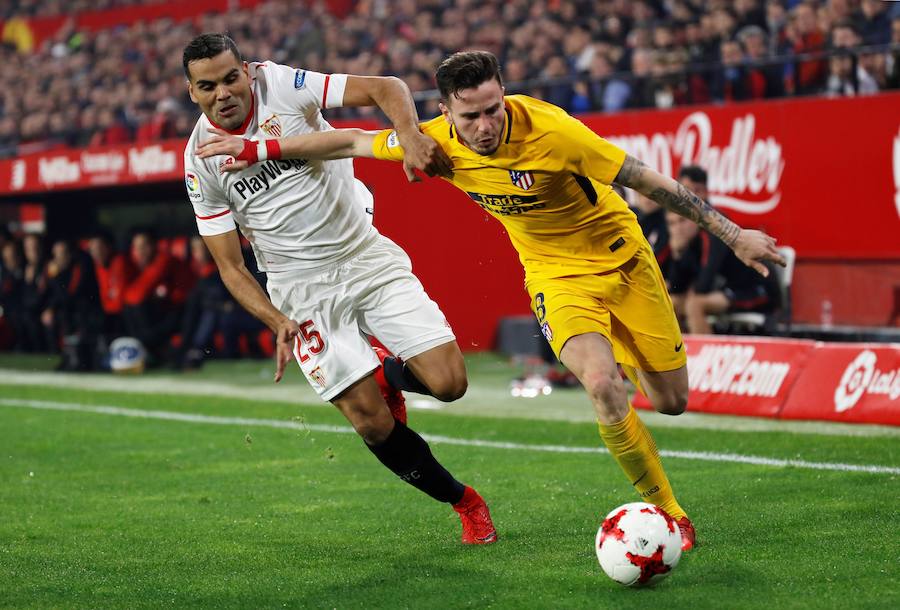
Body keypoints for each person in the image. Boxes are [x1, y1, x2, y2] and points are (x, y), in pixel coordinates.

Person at [198, 50, 788, 552]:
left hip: (623, 259)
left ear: (505, 96)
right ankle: (671, 514)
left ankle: (627, 358)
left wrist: (735, 235)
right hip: (555, 277)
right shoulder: (436, 146)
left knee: (672, 400)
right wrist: (254, 153)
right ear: (446, 113)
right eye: (471, 116)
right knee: (603, 387)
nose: (485, 126)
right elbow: (351, 138)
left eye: (494, 110)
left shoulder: (557, 133)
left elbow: (644, 179)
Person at [181, 33, 496, 544]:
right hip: (300, 291)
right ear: (191, 91)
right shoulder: (200, 160)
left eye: (231, 77)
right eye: (207, 85)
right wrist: (277, 321)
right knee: (372, 425)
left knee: (449, 384)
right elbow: (231, 267)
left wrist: (411, 135)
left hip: (363, 254)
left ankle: (389, 375)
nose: (223, 93)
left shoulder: (282, 84)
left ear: (248, 71)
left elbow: (385, 87)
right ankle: (465, 502)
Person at [667, 166, 781, 334]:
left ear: (702, 192)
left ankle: (701, 357)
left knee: (694, 304)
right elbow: (678, 285)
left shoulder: (716, 223)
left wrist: (691, 291)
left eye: (688, 192)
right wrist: (678, 253)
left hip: (755, 288)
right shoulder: (689, 223)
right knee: (671, 302)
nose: (682, 199)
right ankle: (675, 354)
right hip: (727, 288)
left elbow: (705, 282)